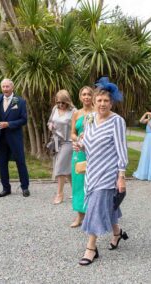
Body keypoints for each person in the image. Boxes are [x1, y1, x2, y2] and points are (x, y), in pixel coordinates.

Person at [74, 77, 128, 266]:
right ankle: (117, 233)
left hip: (108, 173)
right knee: (108, 206)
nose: (102, 104)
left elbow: (122, 150)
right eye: (99, 100)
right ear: (94, 102)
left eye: (106, 101)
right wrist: (80, 145)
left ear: (111, 102)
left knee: (95, 208)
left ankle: (91, 248)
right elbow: (87, 142)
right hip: (92, 171)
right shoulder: (90, 120)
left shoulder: (117, 121)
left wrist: (121, 177)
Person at [70, 86, 93, 227]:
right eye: (83, 94)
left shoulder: (97, 112)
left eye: (89, 94)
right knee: (78, 182)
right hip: (79, 151)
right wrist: (78, 138)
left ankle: (92, 214)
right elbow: (72, 133)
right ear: (80, 97)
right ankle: (79, 215)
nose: (86, 97)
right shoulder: (76, 114)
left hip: (94, 151)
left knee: (92, 182)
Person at [48, 89, 76, 204]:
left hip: (68, 142)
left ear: (68, 101)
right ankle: (77, 192)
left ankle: (59, 194)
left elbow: (79, 127)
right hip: (57, 141)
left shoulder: (74, 111)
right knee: (68, 170)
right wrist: (50, 125)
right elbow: (50, 121)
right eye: (58, 102)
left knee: (59, 167)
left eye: (63, 102)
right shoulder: (55, 109)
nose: (60, 105)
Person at [132, 107, 151, 181]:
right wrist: (146, 114)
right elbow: (141, 121)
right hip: (148, 139)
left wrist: (148, 121)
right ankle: (144, 174)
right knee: (146, 155)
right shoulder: (149, 119)